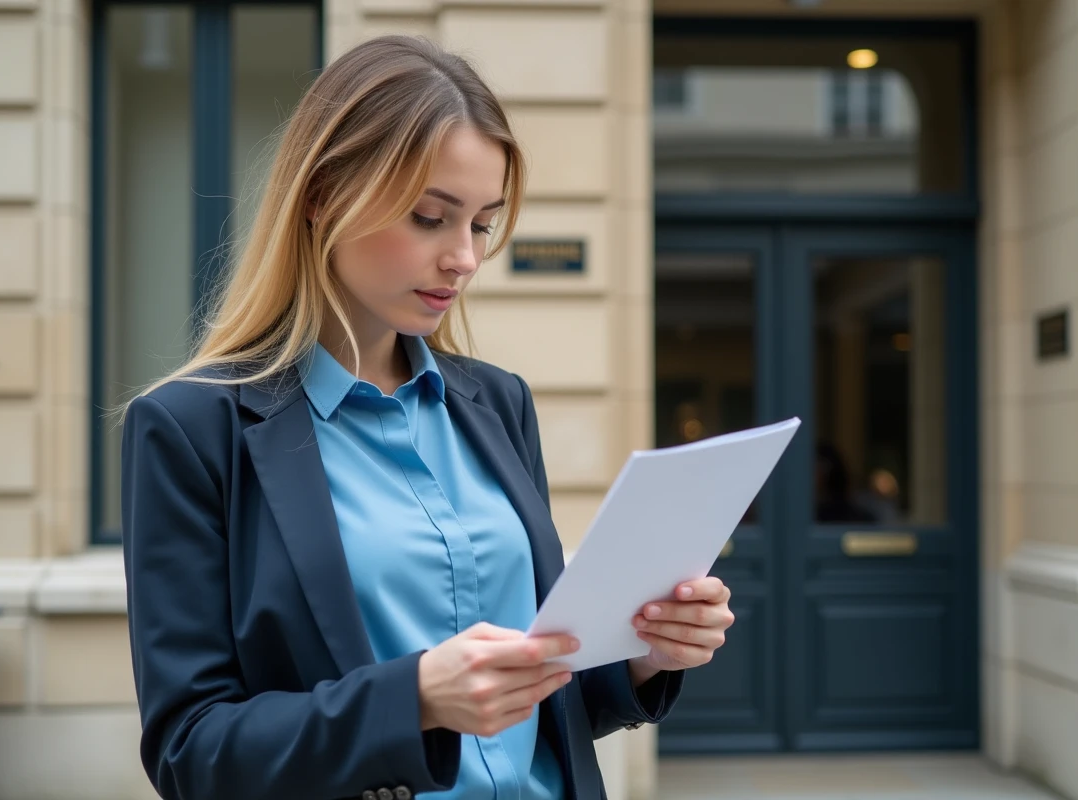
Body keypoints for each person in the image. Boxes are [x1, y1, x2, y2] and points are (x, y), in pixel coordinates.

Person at [120, 35, 736, 800]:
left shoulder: (498, 403)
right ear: (322, 198)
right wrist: (410, 699)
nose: (464, 258)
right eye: (428, 217)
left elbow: (546, 698)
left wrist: (643, 654)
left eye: (480, 223)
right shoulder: (190, 428)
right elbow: (191, 752)